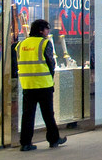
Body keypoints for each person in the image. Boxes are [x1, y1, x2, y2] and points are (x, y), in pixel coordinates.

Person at [16, 19, 67, 151]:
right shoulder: (44, 43)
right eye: (46, 29)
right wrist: (50, 76)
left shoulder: (21, 44)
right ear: (41, 30)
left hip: (27, 85)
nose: (48, 31)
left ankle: (25, 143)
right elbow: (51, 62)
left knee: (27, 115)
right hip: (44, 85)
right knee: (48, 114)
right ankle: (54, 139)